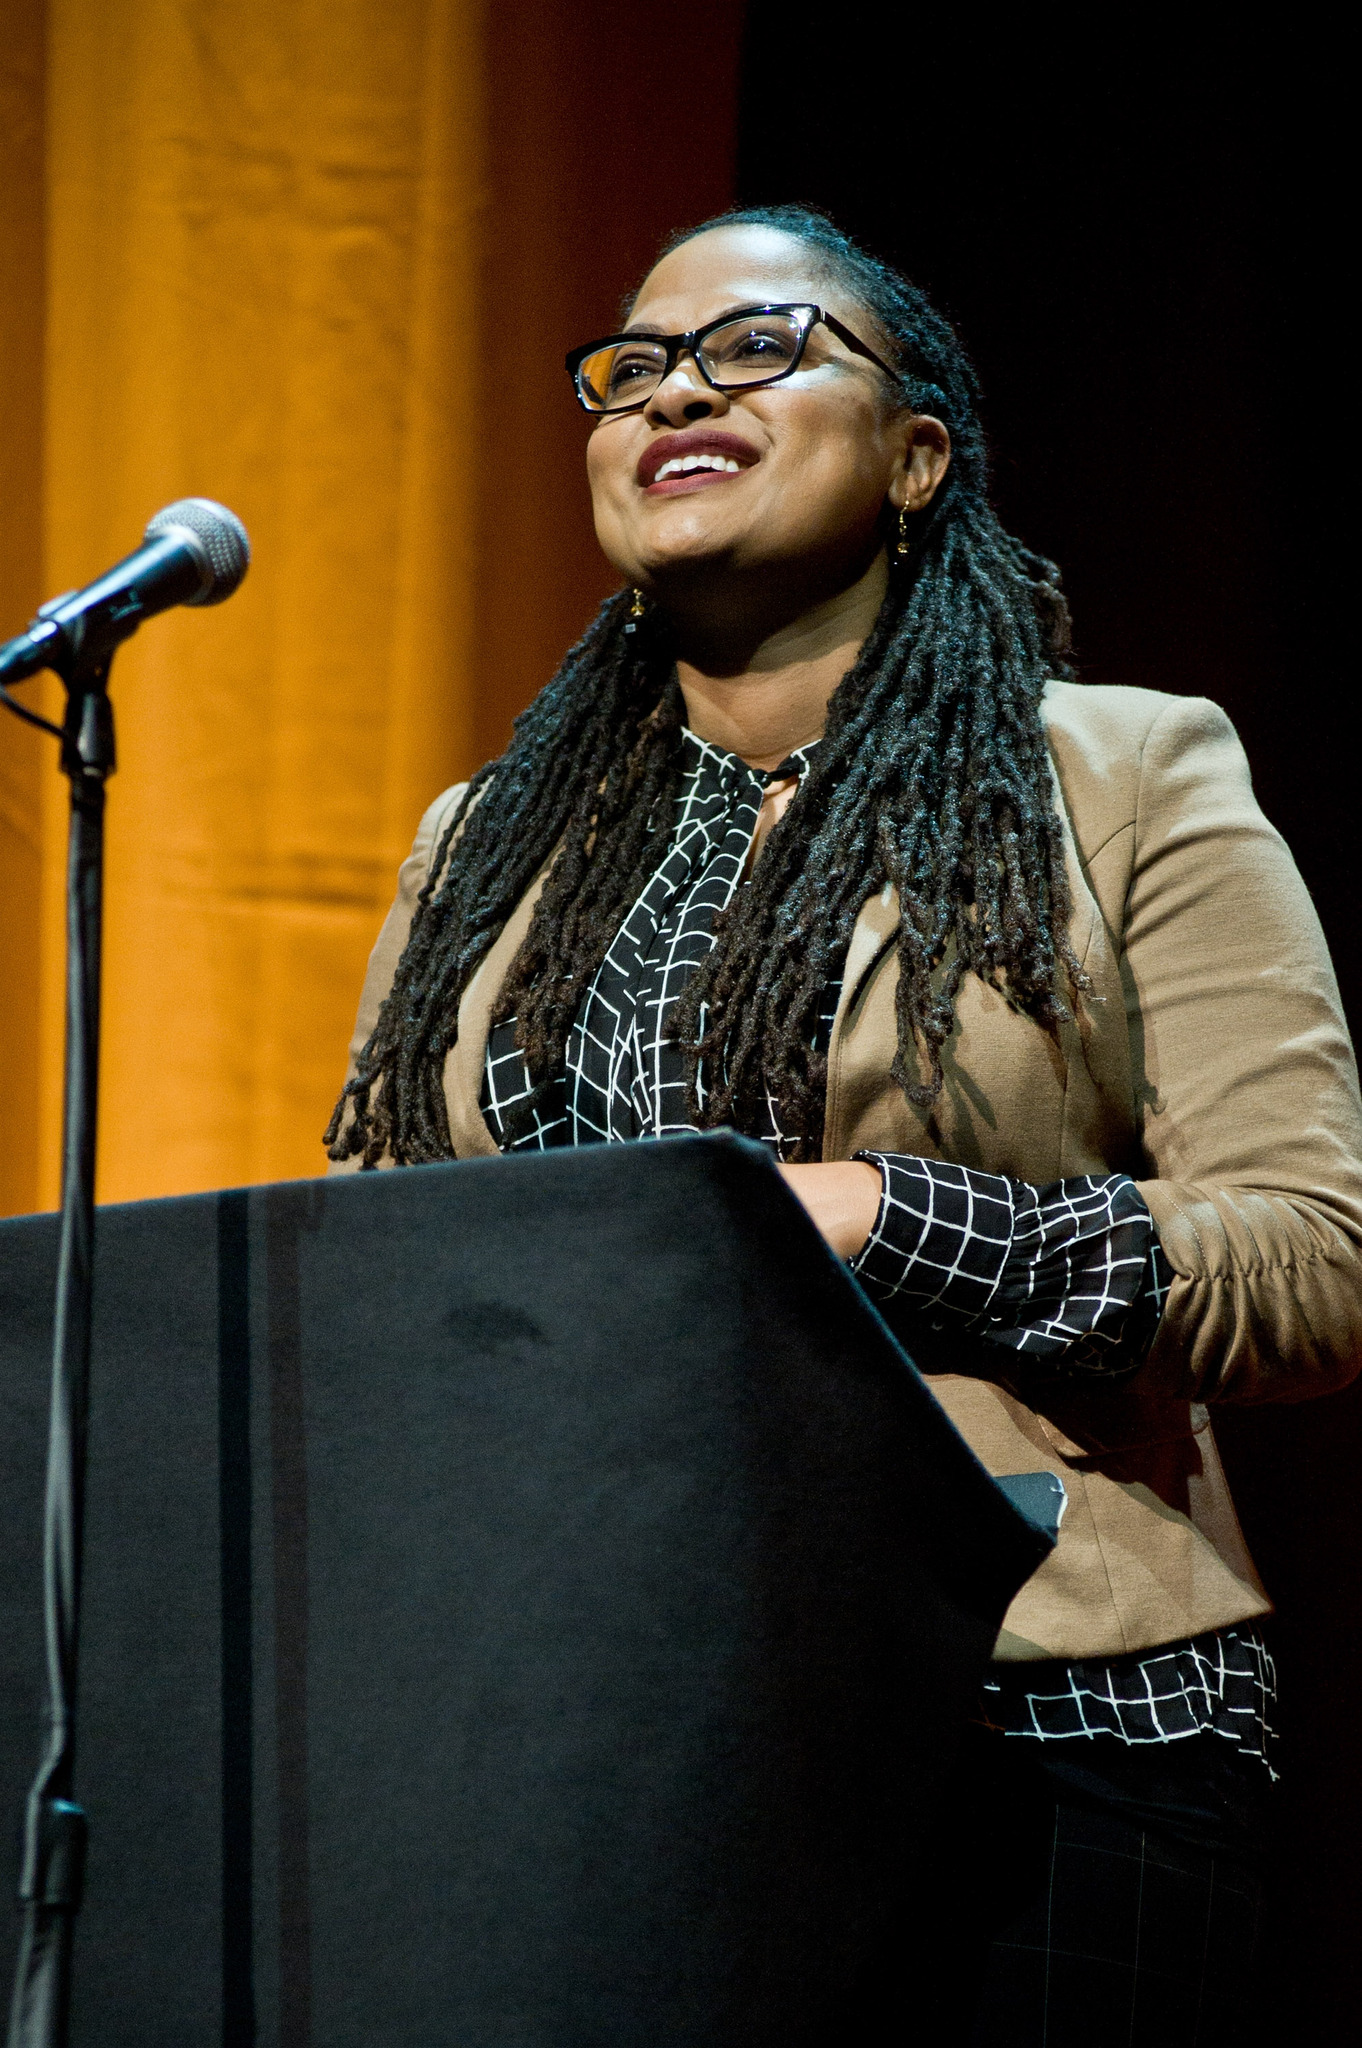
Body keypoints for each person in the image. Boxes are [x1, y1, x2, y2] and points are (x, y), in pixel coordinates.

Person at [327, 205, 1362, 2042]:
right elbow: (384, 1277)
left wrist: (881, 1218)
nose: (672, 394)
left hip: (1031, 1727)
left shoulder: (1125, 773)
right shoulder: (478, 849)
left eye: (757, 349)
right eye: (630, 368)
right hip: (587, 1732)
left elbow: (1299, 1268)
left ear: (914, 457)